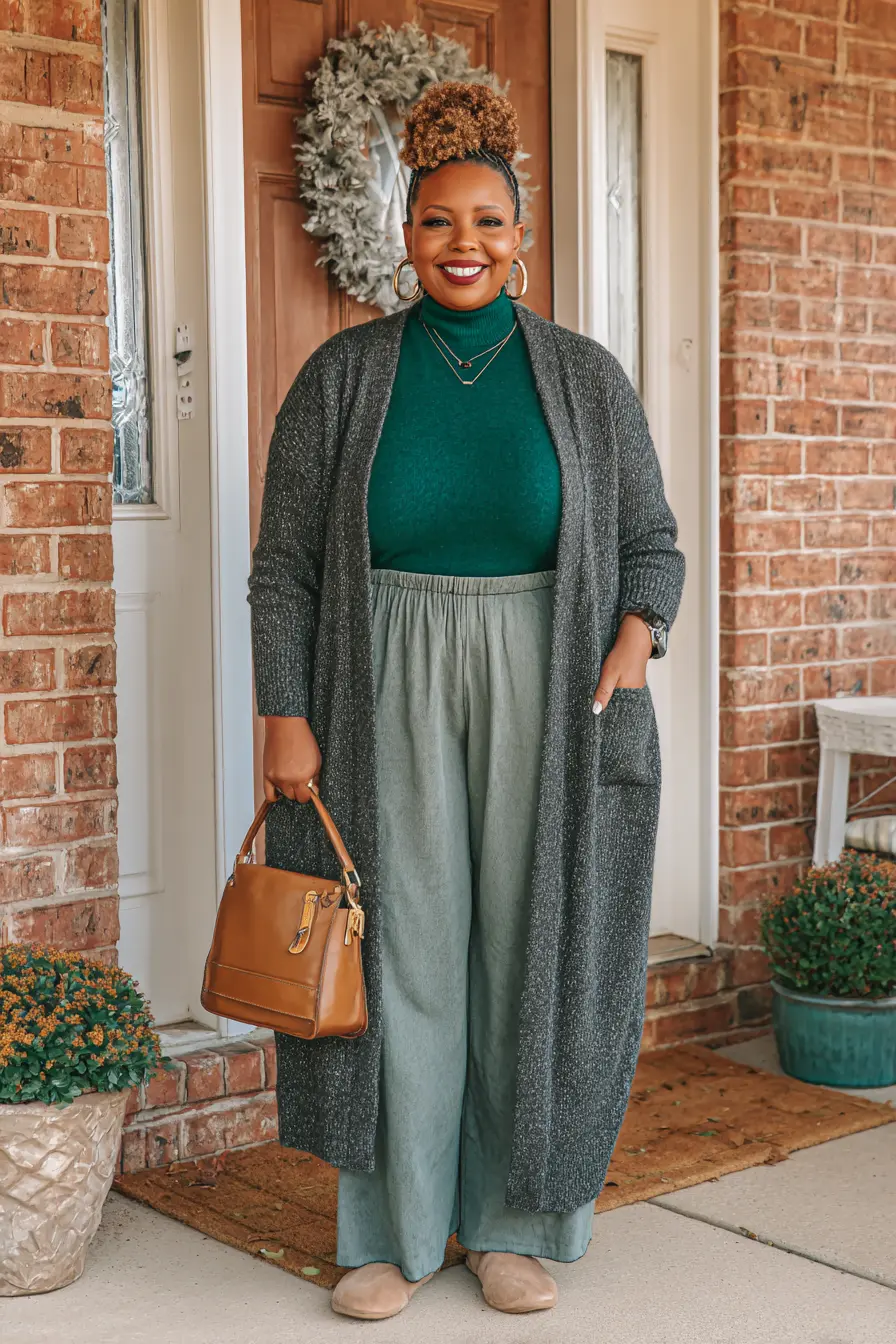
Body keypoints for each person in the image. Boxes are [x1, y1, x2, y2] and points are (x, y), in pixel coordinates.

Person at [247, 81, 686, 1321]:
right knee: (400, 949)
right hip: (378, 667)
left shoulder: (584, 380)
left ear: (521, 234)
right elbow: (283, 565)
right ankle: (386, 1236)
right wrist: (286, 706)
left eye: (487, 223)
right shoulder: (342, 378)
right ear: (405, 234)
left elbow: (652, 541)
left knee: (524, 950)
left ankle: (512, 1224)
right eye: (438, 223)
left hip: (548, 687)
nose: (463, 246)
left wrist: (636, 640)